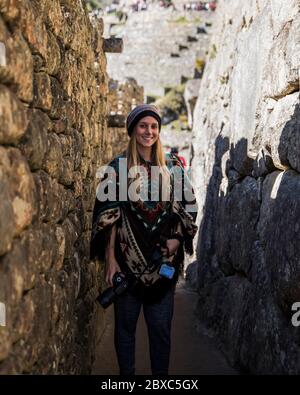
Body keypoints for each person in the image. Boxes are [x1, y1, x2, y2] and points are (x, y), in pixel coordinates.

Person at [90, 104, 198, 375]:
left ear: (158, 131)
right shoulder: (117, 168)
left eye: (153, 126)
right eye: (142, 125)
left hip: (164, 263)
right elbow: (108, 216)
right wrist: (110, 260)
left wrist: (176, 239)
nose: (148, 131)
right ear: (132, 130)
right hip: (127, 265)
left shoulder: (172, 167)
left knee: (160, 330)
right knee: (125, 330)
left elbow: (189, 207)